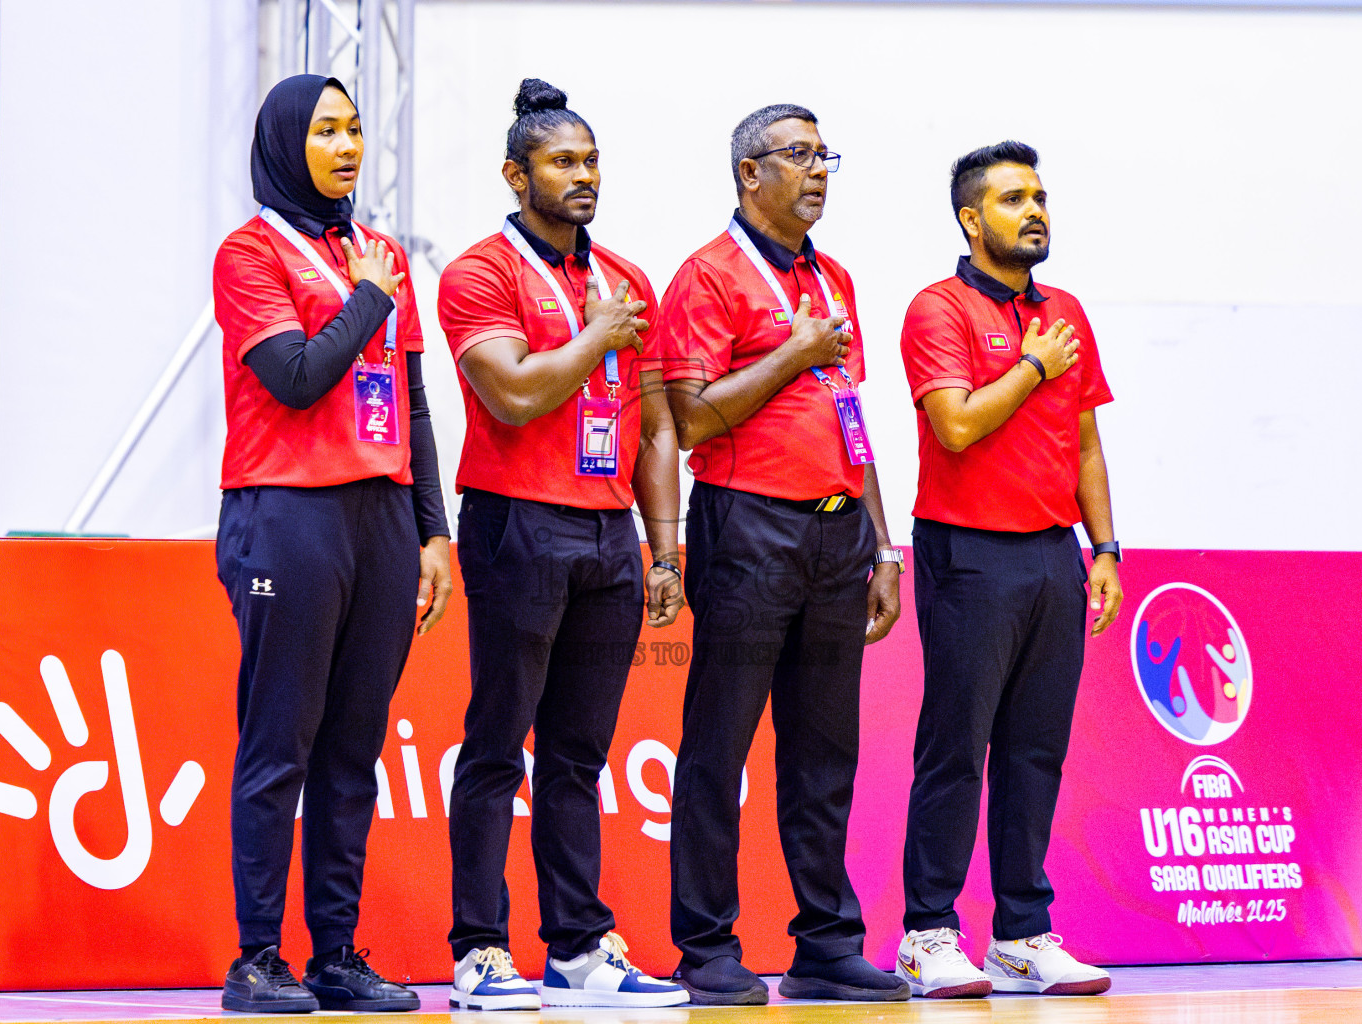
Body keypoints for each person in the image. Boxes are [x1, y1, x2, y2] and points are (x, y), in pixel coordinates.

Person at [435, 79, 688, 1011]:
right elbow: (513, 393)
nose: (584, 177)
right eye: (563, 162)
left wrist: (664, 552)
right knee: (498, 744)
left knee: (579, 752)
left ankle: (578, 948)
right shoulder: (478, 273)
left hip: (610, 528)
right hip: (515, 519)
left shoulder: (625, 278)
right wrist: (594, 339)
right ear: (516, 173)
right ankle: (478, 950)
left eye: (592, 161)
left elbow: (657, 424)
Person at [655, 103, 909, 1006]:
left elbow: (852, 419)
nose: (818, 170)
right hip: (747, 524)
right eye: (798, 155)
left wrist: (884, 543)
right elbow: (689, 418)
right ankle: (707, 945)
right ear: (748, 174)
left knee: (823, 750)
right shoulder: (707, 277)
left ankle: (826, 943)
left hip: (837, 524)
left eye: (823, 154)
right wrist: (794, 352)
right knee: (718, 746)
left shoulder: (833, 278)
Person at [212, 74, 451, 1013]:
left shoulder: (381, 253)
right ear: (284, 142)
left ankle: (337, 955)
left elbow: (416, 403)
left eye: (354, 128)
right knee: (282, 742)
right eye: (325, 130)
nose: (348, 145)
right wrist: (365, 301)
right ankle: (256, 957)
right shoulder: (248, 255)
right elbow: (300, 379)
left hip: (381, 519)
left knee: (355, 749)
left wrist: (435, 531)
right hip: (286, 515)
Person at [895, 140, 1122, 998]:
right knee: (956, 747)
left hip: (1052, 554)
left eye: (1040, 196)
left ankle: (1023, 934)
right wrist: (1033, 366)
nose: (1035, 211)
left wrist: (1103, 549)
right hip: (967, 550)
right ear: (970, 218)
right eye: (1013, 198)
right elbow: (954, 426)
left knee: (1035, 751)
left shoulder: (1064, 310)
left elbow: (1087, 441)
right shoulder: (938, 310)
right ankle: (927, 933)